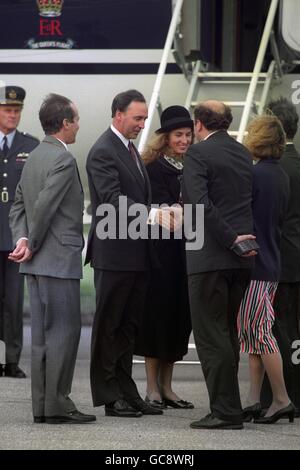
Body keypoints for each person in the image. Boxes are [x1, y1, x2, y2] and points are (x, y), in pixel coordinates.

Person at [86, 89, 178, 418]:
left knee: (128, 327)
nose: (142, 124)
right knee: (109, 325)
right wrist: (152, 214)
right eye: (137, 118)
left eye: (143, 118)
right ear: (118, 115)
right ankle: (110, 396)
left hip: (136, 255)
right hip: (114, 255)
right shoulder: (103, 151)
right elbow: (112, 201)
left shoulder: (128, 149)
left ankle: (127, 391)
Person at [9, 93, 96, 424]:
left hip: (37, 262)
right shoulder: (63, 159)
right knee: (64, 333)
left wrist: (22, 238)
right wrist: (31, 241)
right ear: (64, 123)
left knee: (43, 338)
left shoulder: (33, 155)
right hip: (57, 258)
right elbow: (44, 205)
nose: (78, 126)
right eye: (75, 120)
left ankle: (43, 406)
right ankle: (58, 405)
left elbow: (19, 203)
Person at [182, 100, 256, 430]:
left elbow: (199, 205)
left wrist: (230, 238)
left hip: (211, 257)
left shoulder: (198, 154)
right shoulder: (242, 152)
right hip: (241, 261)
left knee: (211, 337)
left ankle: (225, 411)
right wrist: (241, 241)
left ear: (199, 124)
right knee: (226, 332)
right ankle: (231, 407)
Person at [134, 105, 194, 409]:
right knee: (156, 319)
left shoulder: (194, 165)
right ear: (166, 137)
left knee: (178, 320)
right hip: (161, 254)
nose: (184, 140)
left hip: (187, 254)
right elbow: (156, 210)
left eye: (187, 135)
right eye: (178, 135)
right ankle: (152, 388)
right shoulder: (154, 168)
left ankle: (168, 387)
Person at [238, 115, 294, 424]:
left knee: (259, 332)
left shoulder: (256, 175)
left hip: (256, 265)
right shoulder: (280, 175)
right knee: (253, 333)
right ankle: (252, 399)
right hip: (271, 263)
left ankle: (282, 399)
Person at [260, 98, 300, 418]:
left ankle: (280, 395)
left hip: (278, 259)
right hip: (297, 256)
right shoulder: (297, 162)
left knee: (276, 330)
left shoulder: (271, 169)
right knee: (293, 329)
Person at [0, 85, 39, 378]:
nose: (12, 115)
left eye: (16, 110)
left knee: (14, 301)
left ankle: (11, 359)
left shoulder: (31, 145)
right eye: (7, 110)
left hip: (15, 236)